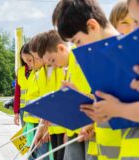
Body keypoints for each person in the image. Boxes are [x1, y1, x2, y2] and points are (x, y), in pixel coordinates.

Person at [55, 0, 133, 159]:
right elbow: (114, 108)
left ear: (92, 26)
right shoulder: (103, 60)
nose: (79, 48)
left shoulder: (129, 54)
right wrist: (95, 117)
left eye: (77, 41)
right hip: (107, 151)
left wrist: (116, 110)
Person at [31, 30, 97, 160]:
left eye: (52, 60)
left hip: (89, 129)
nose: (54, 66)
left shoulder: (81, 59)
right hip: (76, 130)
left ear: (61, 48)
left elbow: (95, 96)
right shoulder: (68, 66)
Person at [14, 44, 35, 127]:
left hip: (35, 110)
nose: (28, 63)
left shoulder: (38, 70)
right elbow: (17, 94)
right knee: (27, 137)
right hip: (23, 110)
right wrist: (16, 112)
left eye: (29, 60)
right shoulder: (20, 71)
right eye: (25, 60)